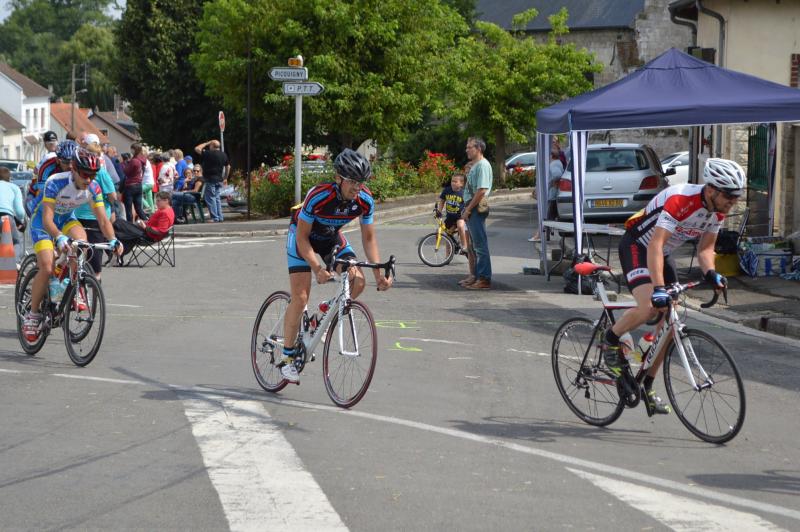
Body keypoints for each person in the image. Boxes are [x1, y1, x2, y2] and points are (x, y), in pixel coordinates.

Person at [600, 158, 745, 415]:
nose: (733, 201)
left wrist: (711, 272)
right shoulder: (680, 199)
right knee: (649, 306)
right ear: (711, 189)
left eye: (737, 196)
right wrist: (658, 288)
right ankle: (610, 341)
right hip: (638, 246)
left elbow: (706, 249)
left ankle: (646, 384)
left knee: (671, 319)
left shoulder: (718, 211)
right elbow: (655, 244)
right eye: (729, 195)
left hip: (663, 253)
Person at [279, 148, 393, 383]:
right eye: (352, 181)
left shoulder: (365, 200)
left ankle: (322, 314)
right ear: (338, 178)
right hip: (301, 237)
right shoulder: (319, 196)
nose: (357, 187)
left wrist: (378, 274)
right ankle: (287, 357)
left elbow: (369, 238)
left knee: (357, 281)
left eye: (361, 182)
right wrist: (317, 268)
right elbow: (302, 238)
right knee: (300, 297)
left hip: (329, 237)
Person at [22, 147, 123, 342]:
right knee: (47, 267)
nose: (89, 179)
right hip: (43, 222)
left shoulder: (94, 188)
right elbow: (47, 219)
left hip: (67, 219)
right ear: (74, 169)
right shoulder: (55, 182)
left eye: (93, 175)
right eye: (85, 174)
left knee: (82, 243)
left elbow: (103, 220)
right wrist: (59, 237)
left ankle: (75, 287)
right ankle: (33, 314)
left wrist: (113, 239)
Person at [74, 141, 118, 279]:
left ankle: (74, 280)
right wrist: (109, 203)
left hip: (78, 215)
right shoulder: (101, 173)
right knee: (95, 258)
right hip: (96, 218)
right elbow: (113, 196)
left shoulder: (79, 172)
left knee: (77, 253)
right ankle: (94, 281)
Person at [460, 137, 493, 290]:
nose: (466, 150)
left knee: (480, 245)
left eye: (469, 147)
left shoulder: (483, 165)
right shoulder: (476, 165)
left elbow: (482, 190)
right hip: (471, 207)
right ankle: (476, 276)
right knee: (474, 245)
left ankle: (484, 279)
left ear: (478, 149)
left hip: (475, 208)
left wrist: (468, 209)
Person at [112, 191, 175, 261]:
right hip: (146, 232)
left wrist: (145, 227)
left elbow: (160, 231)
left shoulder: (165, 213)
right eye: (156, 201)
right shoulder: (167, 210)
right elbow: (155, 224)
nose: (156, 203)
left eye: (158, 201)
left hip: (149, 236)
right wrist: (144, 223)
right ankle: (118, 254)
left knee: (119, 225)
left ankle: (117, 254)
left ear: (166, 201)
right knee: (120, 226)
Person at [529, 145, 564, 242]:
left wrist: (551, 183)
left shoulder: (553, 164)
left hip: (550, 195)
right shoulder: (557, 163)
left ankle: (539, 235)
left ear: (551, 156)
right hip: (552, 194)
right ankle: (542, 235)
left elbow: (557, 175)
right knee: (548, 216)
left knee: (545, 216)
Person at [194, 139, 230, 222]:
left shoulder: (208, 153)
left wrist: (207, 142)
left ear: (212, 146)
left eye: (210, 145)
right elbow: (228, 166)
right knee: (217, 198)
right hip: (219, 179)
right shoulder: (223, 155)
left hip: (210, 179)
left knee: (210, 198)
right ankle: (220, 217)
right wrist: (225, 177)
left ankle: (215, 217)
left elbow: (197, 148)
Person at [0, 167, 26, 262]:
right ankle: (15, 264)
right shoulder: (14, 187)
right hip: (6, 217)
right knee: (15, 241)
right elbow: (20, 211)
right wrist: (21, 221)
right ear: (9, 178)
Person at [437, 173, 468, 252]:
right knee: (448, 237)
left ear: (461, 183)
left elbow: (467, 204)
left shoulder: (463, 192)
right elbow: (442, 201)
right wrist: (439, 211)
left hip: (460, 216)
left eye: (455, 181)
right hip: (450, 217)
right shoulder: (447, 190)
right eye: (452, 181)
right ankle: (448, 256)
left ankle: (464, 246)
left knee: (460, 226)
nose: (453, 183)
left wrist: (466, 213)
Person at [122, 143, 149, 222]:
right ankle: (147, 222)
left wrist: (124, 163)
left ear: (134, 150)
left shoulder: (134, 161)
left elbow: (126, 172)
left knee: (129, 209)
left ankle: (130, 225)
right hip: (139, 185)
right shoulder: (142, 160)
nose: (131, 150)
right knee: (138, 208)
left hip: (131, 186)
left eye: (132, 149)